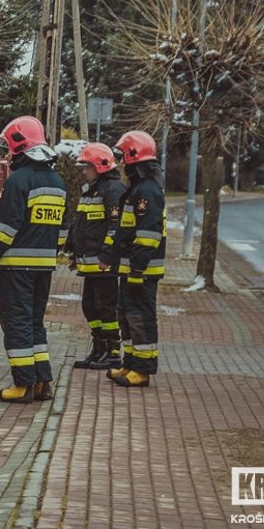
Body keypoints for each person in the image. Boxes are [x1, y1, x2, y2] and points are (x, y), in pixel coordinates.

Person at [0, 116, 67, 404]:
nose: (6, 153)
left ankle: (23, 385)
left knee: (16, 322)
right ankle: (43, 380)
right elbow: (63, 231)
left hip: (17, 267)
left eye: (8, 147)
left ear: (20, 144)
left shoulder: (18, 180)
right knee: (34, 322)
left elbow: (5, 227)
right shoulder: (57, 181)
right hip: (45, 267)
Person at [104, 130, 166, 388]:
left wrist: (137, 269)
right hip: (131, 268)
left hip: (142, 271)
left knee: (141, 318)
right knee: (127, 317)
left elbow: (148, 236)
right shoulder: (138, 189)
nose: (119, 163)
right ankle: (130, 363)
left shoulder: (147, 191)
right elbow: (126, 231)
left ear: (133, 156)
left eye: (122, 156)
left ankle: (142, 370)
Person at [65, 142, 127, 370]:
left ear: (100, 166)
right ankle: (99, 348)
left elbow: (115, 226)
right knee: (90, 307)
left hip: (103, 265)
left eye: (86, 166)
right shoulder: (92, 190)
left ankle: (112, 352)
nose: (83, 171)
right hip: (90, 263)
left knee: (106, 308)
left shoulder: (112, 190)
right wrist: (73, 252)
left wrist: (107, 256)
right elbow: (79, 225)